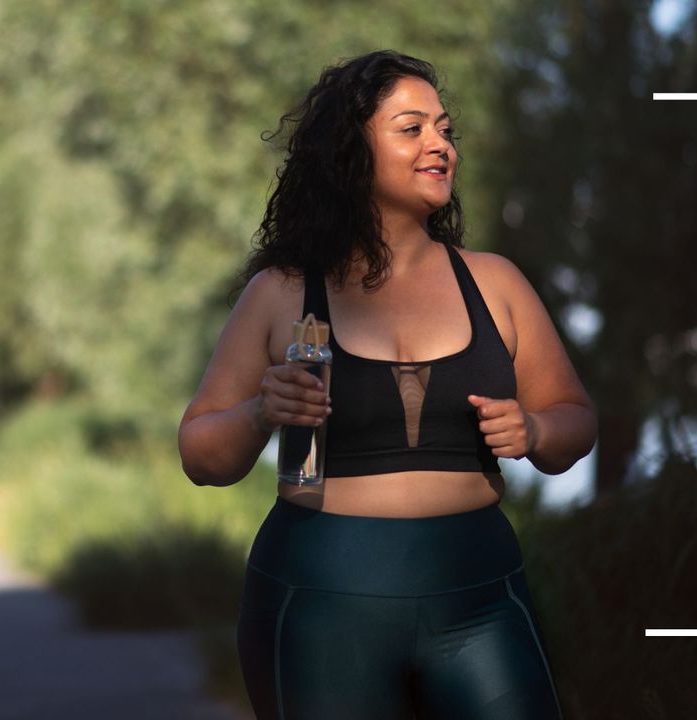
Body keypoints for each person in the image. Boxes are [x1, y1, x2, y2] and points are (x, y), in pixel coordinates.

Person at [178, 50, 597, 719]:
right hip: (320, 594)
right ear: (350, 150)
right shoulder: (282, 292)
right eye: (412, 128)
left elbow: (573, 418)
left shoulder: (495, 282)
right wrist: (262, 410)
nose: (440, 145)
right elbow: (201, 455)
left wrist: (537, 428)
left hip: (480, 594)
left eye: (445, 130)